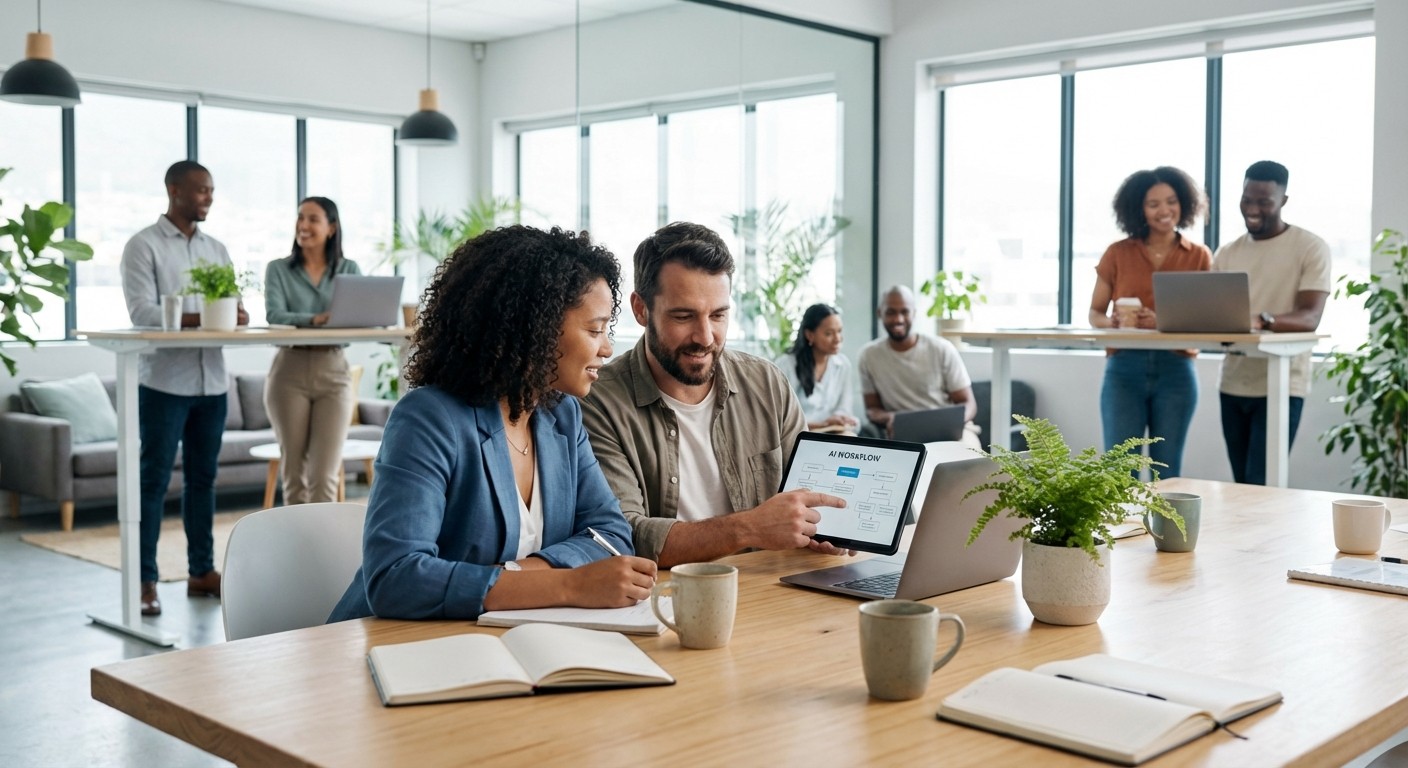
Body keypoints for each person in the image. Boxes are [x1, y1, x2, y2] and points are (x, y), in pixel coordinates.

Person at [328, 225, 654, 622]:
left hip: (511, 638)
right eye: (594, 329)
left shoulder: (561, 415)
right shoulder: (429, 419)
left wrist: (515, 575)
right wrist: (569, 584)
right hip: (397, 649)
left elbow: (610, 534)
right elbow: (396, 578)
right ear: (537, 325)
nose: (606, 348)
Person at [580, 222, 848, 567]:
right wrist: (749, 528)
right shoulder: (598, 401)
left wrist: (828, 530)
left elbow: (810, 497)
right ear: (641, 309)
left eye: (718, 315)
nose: (705, 336)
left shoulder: (766, 382)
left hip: (770, 586)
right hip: (667, 599)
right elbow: (623, 535)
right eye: (683, 316)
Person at [119, 160, 247, 617]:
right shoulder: (143, 246)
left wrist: (235, 313)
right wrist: (206, 316)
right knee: (153, 481)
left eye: (211, 191)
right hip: (164, 384)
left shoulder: (217, 249)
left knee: (203, 481)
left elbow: (234, 305)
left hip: (212, 382)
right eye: (200, 191)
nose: (208, 198)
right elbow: (142, 313)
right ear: (174, 190)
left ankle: (200, 572)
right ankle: (145, 581)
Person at [1087, 166, 1212, 478]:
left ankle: (1163, 529)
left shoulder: (1198, 256)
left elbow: (1206, 318)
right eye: (1153, 204)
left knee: (1166, 472)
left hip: (1177, 369)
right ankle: (1122, 529)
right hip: (1124, 369)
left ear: (1183, 203)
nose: (1164, 210)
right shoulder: (1117, 253)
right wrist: (1112, 324)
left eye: (1171, 201)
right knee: (1119, 470)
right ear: (1138, 209)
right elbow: (1095, 314)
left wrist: (1164, 319)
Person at [1214, 160, 1331, 485]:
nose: (1252, 208)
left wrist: (1261, 320)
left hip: (1281, 383)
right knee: (1242, 485)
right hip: (1233, 383)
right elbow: (1214, 318)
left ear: (1283, 201)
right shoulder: (1227, 252)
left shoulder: (1309, 247)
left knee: (1262, 483)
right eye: (1246, 199)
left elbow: (1309, 317)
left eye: (1263, 201)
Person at [263, 197, 361, 505]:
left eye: (313, 219)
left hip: (333, 369)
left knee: (326, 473)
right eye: (300, 218)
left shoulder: (349, 269)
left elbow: (357, 317)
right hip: (289, 370)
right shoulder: (278, 269)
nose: (303, 225)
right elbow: (275, 315)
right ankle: (296, 549)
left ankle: (322, 549)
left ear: (331, 228)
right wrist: (315, 319)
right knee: (294, 471)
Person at [857, 285, 980, 449]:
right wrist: (890, 418)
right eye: (891, 312)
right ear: (880, 313)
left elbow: (968, 402)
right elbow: (872, 408)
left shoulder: (941, 349)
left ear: (914, 313)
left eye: (904, 312)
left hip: (948, 431)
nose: (898, 319)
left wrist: (949, 423)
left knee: (968, 451)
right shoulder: (868, 355)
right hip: (900, 434)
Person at [774, 303, 859, 433]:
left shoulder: (843, 365)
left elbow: (844, 408)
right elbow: (780, 419)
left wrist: (840, 418)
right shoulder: (786, 365)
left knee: (851, 433)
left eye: (839, 331)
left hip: (831, 433)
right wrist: (823, 424)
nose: (837, 339)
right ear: (810, 335)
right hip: (797, 436)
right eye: (829, 333)